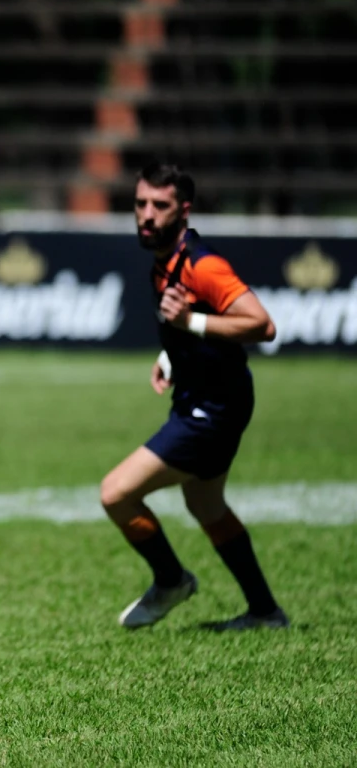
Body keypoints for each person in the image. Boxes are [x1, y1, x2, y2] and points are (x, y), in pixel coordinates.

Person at [100, 163, 288, 631]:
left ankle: (170, 581)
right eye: (140, 203)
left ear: (184, 210)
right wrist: (173, 356)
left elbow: (262, 325)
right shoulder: (165, 261)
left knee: (117, 494)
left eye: (159, 206)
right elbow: (188, 327)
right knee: (206, 507)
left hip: (212, 411)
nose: (146, 214)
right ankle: (265, 612)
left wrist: (191, 325)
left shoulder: (204, 266)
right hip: (206, 399)